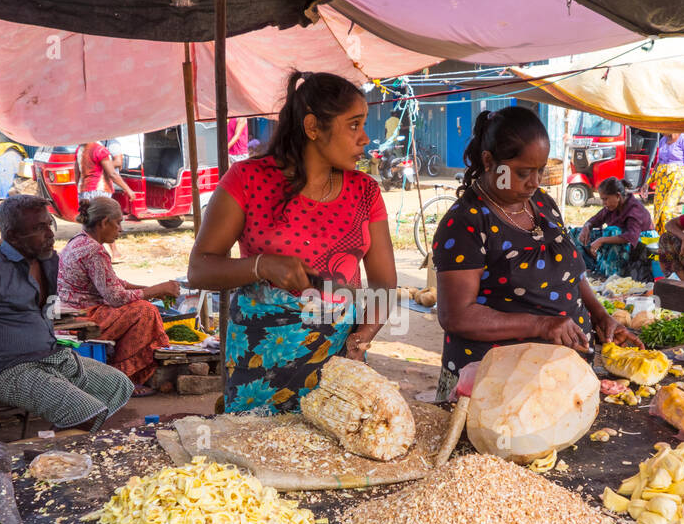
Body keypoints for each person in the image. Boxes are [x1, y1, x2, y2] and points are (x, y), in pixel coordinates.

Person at [187, 70, 396, 413]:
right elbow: (199, 269)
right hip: (261, 359)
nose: (365, 139)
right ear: (313, 127)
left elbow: (385, 282)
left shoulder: (366, 192)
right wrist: (262, 265)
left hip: (338, 358)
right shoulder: (247, 179)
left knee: (330, 453)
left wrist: (362, 338)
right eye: (354, 125)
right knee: (256, 450)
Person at [431, 107, 642, 400]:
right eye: (522, 172)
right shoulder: (466, 222)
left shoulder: (542, 204)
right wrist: (541, 324)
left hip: (557, 374)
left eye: (540, 170)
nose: (535, 182)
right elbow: (457, 316)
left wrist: (601, 316)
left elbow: (571, 273)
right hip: (494, 383)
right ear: (489, 161)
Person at [0, 195, 134, 433]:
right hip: (5, 368)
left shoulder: (48, 260)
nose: (49, 234)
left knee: (117, 384)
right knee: (84, 410)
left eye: (49, 224)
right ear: (13, 236)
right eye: (39, 228)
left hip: (49, 356)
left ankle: (68, 447)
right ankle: (61, 458)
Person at [58, 196, 181, 393]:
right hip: (81, 317)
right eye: (118, 223)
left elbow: (114, 283)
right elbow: (116, 297)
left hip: (70, 313)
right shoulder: (94, 250)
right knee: (145, 312)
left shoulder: (78, 241)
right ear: (104, 222)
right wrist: (157, 290)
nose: (121, 230)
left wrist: (152, 289)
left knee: (142, 306)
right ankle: (123, 378)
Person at [577, 177, 655, 279]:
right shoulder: (611, 207)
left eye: (605, 199)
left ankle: (613, 275)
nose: (603, 203)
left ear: (618, 196)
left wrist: (602, 240)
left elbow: (631, 237)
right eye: (602, 199)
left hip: (642, 243)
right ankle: (594, 268)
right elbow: (596, 219)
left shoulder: (634, 209)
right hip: (621, 240)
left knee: (612, 231)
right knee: (576, 233)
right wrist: (586, 227)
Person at [647, 131, 684, 232]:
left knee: (666, 212)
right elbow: (658, 164)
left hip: (677, 179)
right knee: (658, 211)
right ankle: (661, 240)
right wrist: (647, 182)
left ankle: (671, 238)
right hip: (662, 179)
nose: (660, 131)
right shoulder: (662, 140)